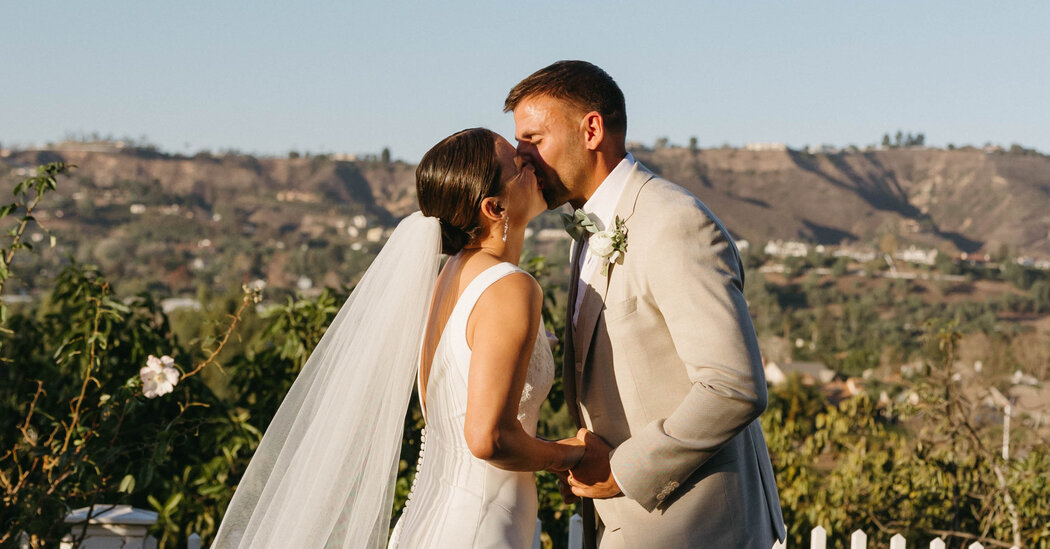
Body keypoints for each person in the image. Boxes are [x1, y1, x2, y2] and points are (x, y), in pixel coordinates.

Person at [212, 128, 586, 549]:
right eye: (518, 165)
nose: (530, 162)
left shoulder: (448, 278)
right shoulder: (509, 287)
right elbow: (488, 438)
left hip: (430, 522)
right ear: (494, 206)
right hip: (479, 531)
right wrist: (570, 456)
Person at [505, 60, 787, 548]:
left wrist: (625, 470)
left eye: (534, 139)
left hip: (696, 527)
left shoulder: (673, 222)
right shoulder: (586, 233)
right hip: (628, 524)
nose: (523, 159)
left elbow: (734, 385)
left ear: (591, 129)